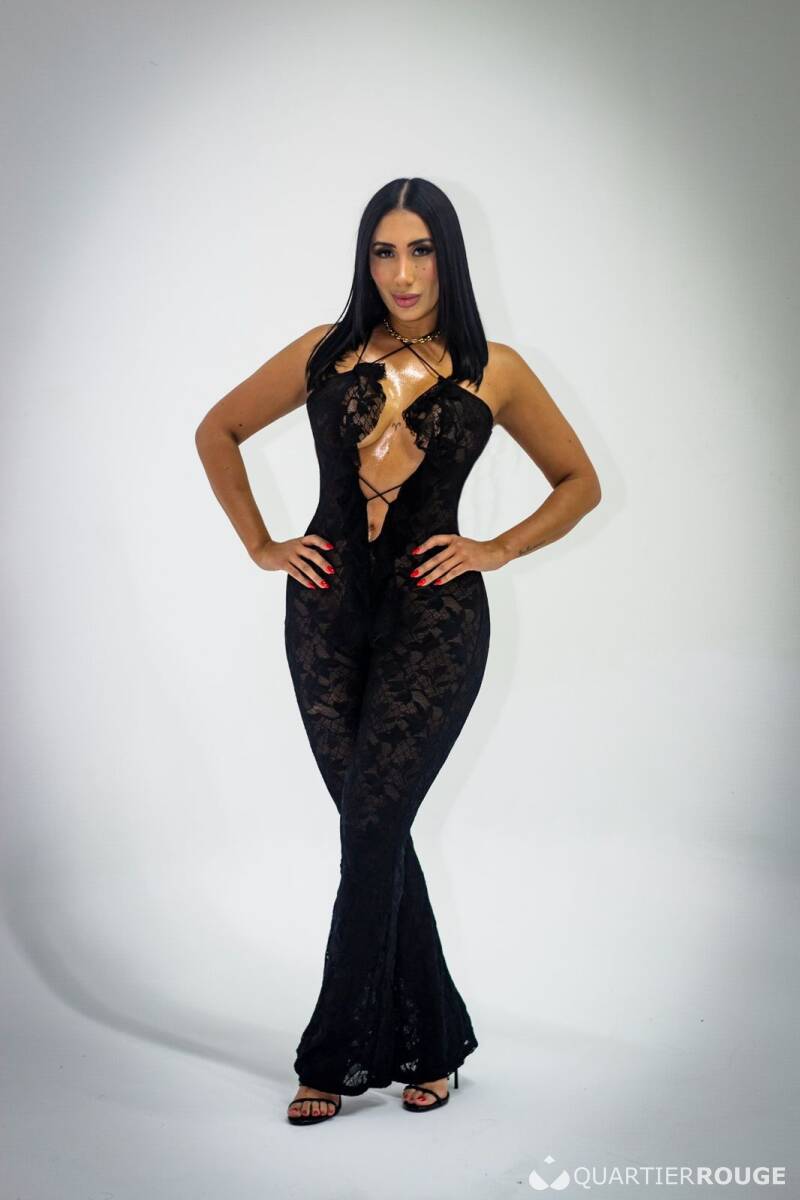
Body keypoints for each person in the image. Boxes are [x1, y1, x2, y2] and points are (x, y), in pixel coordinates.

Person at [194, 177, 601, 1125]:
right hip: (324, 610)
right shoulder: (324, 352)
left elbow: (578, 481)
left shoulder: (496, 369)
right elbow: (218, 430)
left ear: (448, 257)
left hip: (436, 618)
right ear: (365, 260)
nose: (403, 272)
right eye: (384, 251)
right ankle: (436, 1039)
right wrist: (260, 545)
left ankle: (330, 1056)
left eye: (420, 250)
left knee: (372, 828)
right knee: (371, 828)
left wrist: (498, 547)